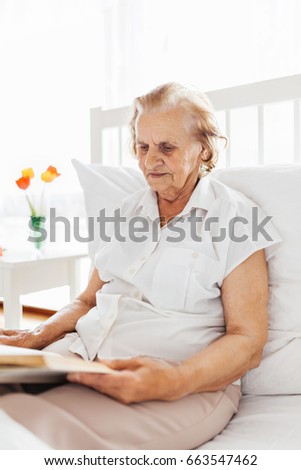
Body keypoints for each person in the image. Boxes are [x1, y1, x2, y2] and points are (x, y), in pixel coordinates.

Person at [0, 82, 280, 450]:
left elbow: (248, 340)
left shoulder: (236, 219)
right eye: (143, 147)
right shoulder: (125, 212)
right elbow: (87, 301)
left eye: (166, 147)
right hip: (83, 356)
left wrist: (174, 380)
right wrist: (37, 337)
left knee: (28, 423)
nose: (149, 161)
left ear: (203, 148)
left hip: (180, 383)